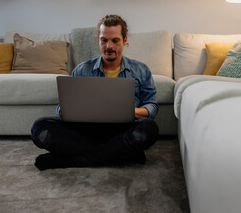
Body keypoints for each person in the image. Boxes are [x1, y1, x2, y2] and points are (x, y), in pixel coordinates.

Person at [31, 15, 159, 171]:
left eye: (115, 40)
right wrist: (64, 110)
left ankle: (69, 160)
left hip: (122, 130)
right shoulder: (82, 69)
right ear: (98, 40)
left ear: (125, 40)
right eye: (104, 40)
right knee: (40, 127)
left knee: (149, 128)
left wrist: (131, 112)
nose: (109, 46)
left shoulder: (141, 69)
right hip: (86, 131)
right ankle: (123, 153)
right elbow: (63, 107)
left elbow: (151, 105)